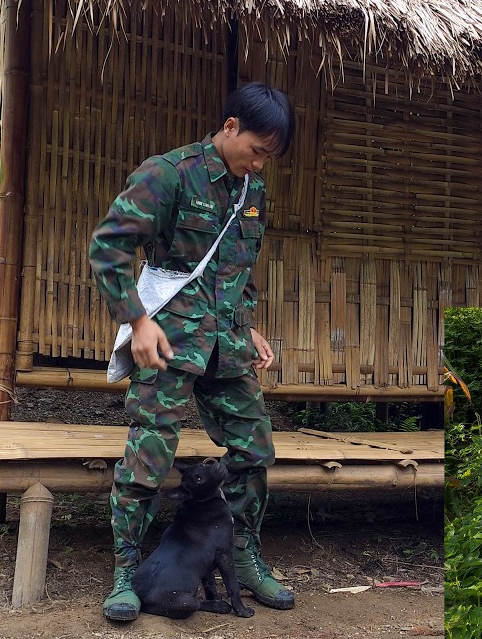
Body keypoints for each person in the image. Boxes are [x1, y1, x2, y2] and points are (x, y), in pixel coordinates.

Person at [88, 82, 296, 621]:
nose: (260, 164)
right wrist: (137, 320)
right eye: (257, 150)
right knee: (149, 454)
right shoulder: (169, 173)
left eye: (270, 157)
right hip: (169, 337)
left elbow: (239, 268)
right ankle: (126, 575)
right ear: (230, 128)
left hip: (227, 342)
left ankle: (244, 557)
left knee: (253, 451)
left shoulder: (253, 192)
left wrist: (247, 326)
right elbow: (108, 247)